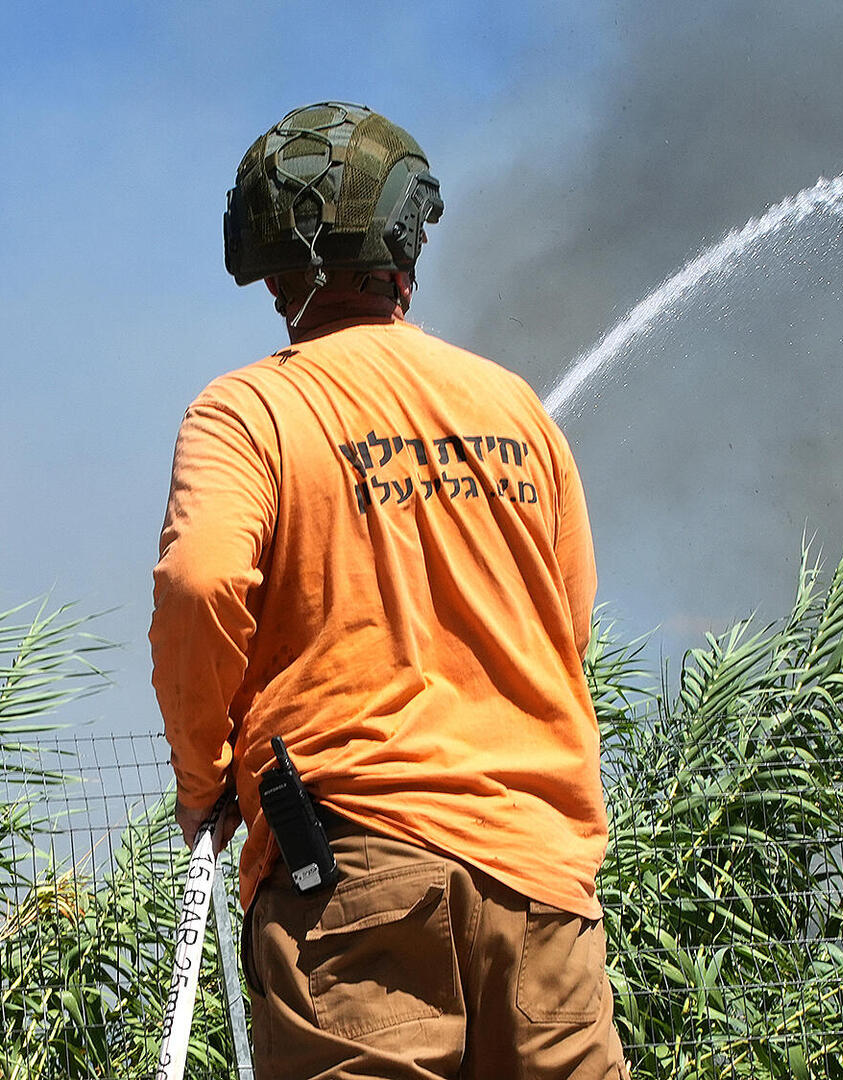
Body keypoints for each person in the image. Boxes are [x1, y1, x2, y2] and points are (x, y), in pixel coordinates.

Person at [150, 101, 624, 1080]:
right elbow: (565, 629)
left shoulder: (249, 411)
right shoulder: (516, 410)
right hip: (544, 896)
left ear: (269, 266)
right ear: (407, 243)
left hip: (352, 887)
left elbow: (199, 587)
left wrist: (207, 778)